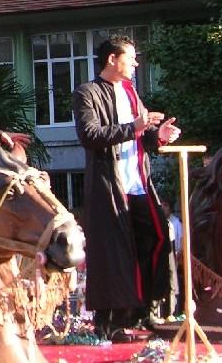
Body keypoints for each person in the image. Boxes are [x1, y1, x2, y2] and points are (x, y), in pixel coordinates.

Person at [72, 36, 180, 342]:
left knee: (159, 236)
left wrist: (159, 135)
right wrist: (135, 126)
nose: (135, 63)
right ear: (112, 59)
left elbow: (142, 137)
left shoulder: (131, 92)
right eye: (130, 58)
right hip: (110, 185)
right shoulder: (87, 92)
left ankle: (148, 309)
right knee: (114, 253)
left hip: (139, 183)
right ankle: (112, 323)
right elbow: (90, 135)